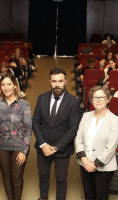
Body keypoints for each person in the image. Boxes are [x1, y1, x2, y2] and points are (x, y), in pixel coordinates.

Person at [32, 67, 81, 200]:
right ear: (50, 81)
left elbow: (73, 128)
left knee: (61, 178)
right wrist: (43, 144)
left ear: (66, 81)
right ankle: (43, 198)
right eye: (54, 81)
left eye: (60, 81)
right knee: (43, 176)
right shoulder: (42, 98)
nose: (57, 84)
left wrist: (56, 147)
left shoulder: (73, 102)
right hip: (43, 147)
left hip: (62, 148)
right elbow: (35, 122)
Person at [75, 85, 118, 200]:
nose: (98, 100)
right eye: (95, 98)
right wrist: (85, 161)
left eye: (102, 97)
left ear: (108, 99)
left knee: (101, 196)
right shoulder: (86, 116)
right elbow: (78, 139)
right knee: (88, 195)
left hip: (103, 167)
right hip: (85, 164)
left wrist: (94, 164)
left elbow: (111, 148)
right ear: (91, 100)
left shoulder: (115, 120)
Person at [0, 73, 32, 200]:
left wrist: (24, 151)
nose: (6, 87)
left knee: (16, 178)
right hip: (0, 146)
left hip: (18, 147)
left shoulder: (24, 104)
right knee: (6, 175)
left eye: (9, 84)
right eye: (3, 84)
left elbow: (28, 129)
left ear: (15, 86)